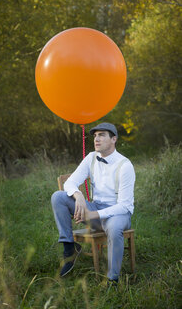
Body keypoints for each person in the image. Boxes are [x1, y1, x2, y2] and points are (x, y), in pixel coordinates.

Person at [51, 122, 135, 285]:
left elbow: (124, 205)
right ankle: (70, 249)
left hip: (118, 214)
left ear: (114, 139)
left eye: (102, 135)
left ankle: (113, 279)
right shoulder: (90, 158)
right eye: (95, 135)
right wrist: (79, 195)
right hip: (94, 208)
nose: (96, 139)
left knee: (115, 227)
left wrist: (93, 214)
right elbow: (70, 182)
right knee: (58, 196)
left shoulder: (125, 166)